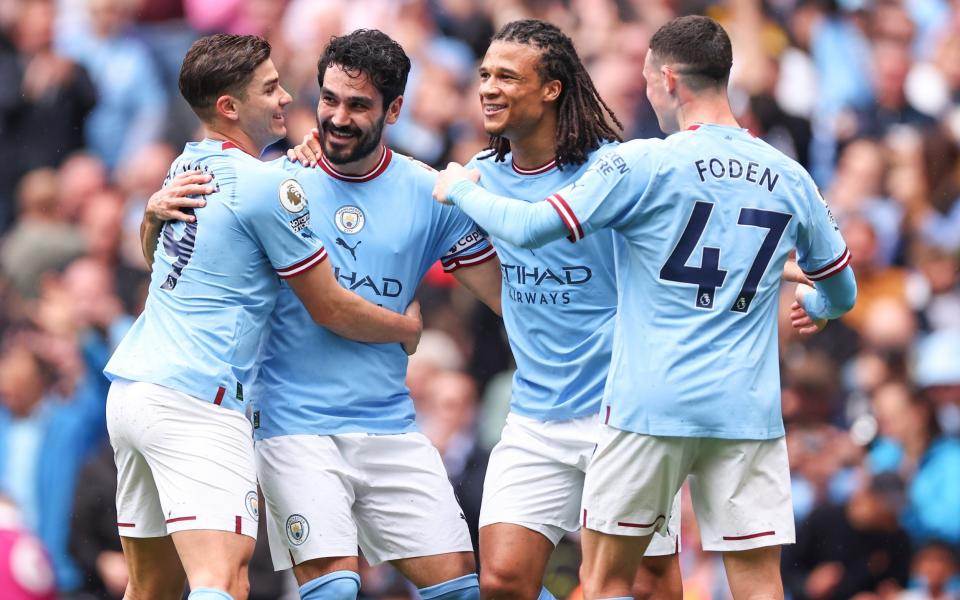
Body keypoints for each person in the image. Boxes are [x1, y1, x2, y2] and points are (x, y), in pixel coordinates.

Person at [433, 15, 857, 600]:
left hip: (646, 404)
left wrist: (458, 187)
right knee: (759, 582)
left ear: (668, 79)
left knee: (606, 580)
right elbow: (842, 287)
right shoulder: (790, 175)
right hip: (745, 406)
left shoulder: (644, 164)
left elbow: (532, 227)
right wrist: (820, 304)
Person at [147, 29, 501, 600]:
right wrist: (150, 214)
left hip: (389, 425)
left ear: (395, 110)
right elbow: (181, 263)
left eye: (358, 105)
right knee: (335, 589)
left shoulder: (429, 192)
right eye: (329, 99)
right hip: (293, 424)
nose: (337, 117)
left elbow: (506, 297)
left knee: (463, 589)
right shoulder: (280, 181)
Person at [104, 34, 421, 600]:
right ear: (229, 106)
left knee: (150, 588)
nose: (285, 98)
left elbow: (159, 261)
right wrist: (406, 329)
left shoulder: (188, 161)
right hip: (200, 401)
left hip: (133, 392)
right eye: (270, 88)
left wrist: (150, 217)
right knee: (221, 581)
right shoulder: (267, 187)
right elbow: (327, 306)